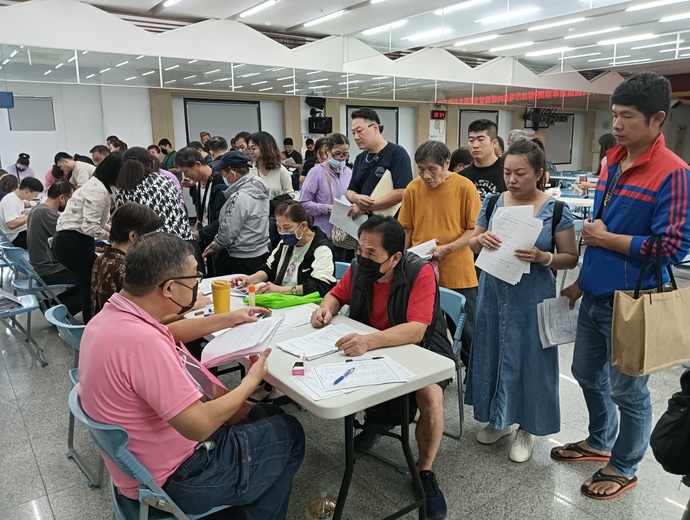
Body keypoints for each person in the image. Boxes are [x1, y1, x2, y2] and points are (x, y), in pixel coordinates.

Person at [78, 232, 305, 519]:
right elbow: (199, 425)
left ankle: (247, 495)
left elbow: (166, 332)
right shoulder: (142, 344)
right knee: (290, 432)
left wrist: (229, 318)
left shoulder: (112, 317)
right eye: (194, 277)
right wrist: (250, 381)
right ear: (170, 288)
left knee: (265, 416)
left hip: (142, 464)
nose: (197, 283)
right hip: (179, 478)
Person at [553, 72, 690, 500]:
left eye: (627, 116)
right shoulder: (612, 161)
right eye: (615, 114)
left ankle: (625, 465)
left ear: (657, 119)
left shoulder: (675, 173)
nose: (617, 124)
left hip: (632, 302)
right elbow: (600, 227)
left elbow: (673, 247)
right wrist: (580, 281)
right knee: (584, 373)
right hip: (594, 295)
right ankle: (600, 440)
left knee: (628, 391)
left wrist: (607, 239)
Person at [311, 215, 454, 520]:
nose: (362, 257)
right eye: (360, 250)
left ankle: (424, 470)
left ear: (395, 257)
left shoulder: (420, 272)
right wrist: (326, 308)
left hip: (422, 346)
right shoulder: (359, 268)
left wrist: (369, 341)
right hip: (375, 341)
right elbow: (337, 294)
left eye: (371, 253)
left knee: (430, 395)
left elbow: (416, 329)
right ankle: (378, 421)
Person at [466, 138, 578, 463]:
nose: (512, 180)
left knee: (532, 359)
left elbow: (570, 257)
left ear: (539, 173)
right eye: (507, 173)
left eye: (520, 174)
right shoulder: (493, 202)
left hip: (533, 295)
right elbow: (473, 242)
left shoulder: (556, 210)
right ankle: (498, 418)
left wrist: (544, 257)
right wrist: (480, 239)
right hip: (493, 291)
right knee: (493, 351)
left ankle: (527, 427)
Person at [399, 140, 481, 369]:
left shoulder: (465, 187)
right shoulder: (413, 188)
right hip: (421, 269)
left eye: (432, 169)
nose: (426, 175)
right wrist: (402, 259)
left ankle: (473, 375)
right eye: (421, 169)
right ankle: (432, 371)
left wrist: (448, 248)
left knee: (466, 330)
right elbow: (406, 229)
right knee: (424, 325)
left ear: (447, 164)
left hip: (458, 270)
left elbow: (474, 229)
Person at [53, 153, 120, 323]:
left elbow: (97, 222)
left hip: (72, 241)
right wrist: (115, 239)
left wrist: (114, 233)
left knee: (89, 286)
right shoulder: (98, 190)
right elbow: (90, 227)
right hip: (72, 243)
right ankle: (92, 326)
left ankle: (89, 324)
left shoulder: (98, 185)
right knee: (92, 287)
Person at [232, 200, 336, 297]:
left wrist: (281, 290)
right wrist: (251, 279)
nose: (282, 232)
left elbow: (321, 286)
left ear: (303, 226)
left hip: (306, 304)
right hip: (281, 300)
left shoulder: (322, 249)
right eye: (278, 227)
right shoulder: (285, 243)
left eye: (287, 228)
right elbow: (269, 269)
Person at [202, 151, 271, 275]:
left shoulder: (241, 197)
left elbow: (229, 228)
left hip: (243, 256)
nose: (223, 176)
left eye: (223, 172)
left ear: (232, 173)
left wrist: (216, 244)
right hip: (261, 250)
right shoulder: (258, 188)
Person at [90, 202, 163, 316]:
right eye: (150, 237)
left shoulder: (102, 258)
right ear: (133, 236)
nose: (153, 242)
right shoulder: (127, 269)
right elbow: (148, 315)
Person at [116, 148, 194, 244]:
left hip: (154, 246)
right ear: (150, 163)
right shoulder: (165, 180)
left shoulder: (123, 189)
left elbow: (124, 222)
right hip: (184, 241)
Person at [26, 181, 82, 315]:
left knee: (87, 279)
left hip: (42, 267)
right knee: (94, 279)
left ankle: (53, 304)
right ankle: (60, 311)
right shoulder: (47, 213)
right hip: (51, 270)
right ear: (62, 197)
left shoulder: (38, 209)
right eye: (71, 199)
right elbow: (71, 238)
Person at [346, 108, 413, 219]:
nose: (356, 137)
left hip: (387, 222)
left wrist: (367, 207)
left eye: (360, 131)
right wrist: (356, 198)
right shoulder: (360, 158)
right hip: (363, 222)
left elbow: (402, 191)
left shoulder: (397, 154)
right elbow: (350, 190)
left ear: (375, 128)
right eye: (353, 133)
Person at [300, 133, 353, 261]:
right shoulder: (316, 172)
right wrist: (327, 208)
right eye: (337, 153)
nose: (341, 158)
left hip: (346, 234)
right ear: (328, 151)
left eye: (345, 154)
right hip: (325, 235)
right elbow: (303, 203)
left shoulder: (349, 172)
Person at [176, 147, 227, 276]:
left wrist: (200, 234)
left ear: (197, 164)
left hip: (219, 240)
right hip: (206, 236)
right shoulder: (199, 182)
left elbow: (222, 220)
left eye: (186, 171)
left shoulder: (218, 182)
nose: (186, 176)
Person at [460, 119, 506, 198]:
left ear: (494, 143)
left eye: (481, 140)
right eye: (471, 140)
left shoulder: (507, 172)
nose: (475, 145)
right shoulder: (463, 177)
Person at [0, 177, 43, 248]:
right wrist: (30, 214)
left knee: (42, 229)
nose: (35, 197)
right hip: (13, 237)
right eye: (36, 194)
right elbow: (11, 224)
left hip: (19, 232)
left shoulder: (17, 199)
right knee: (43, 236)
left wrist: (32, 211)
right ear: (27, 191)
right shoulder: (10, 202)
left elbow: (19, 214)